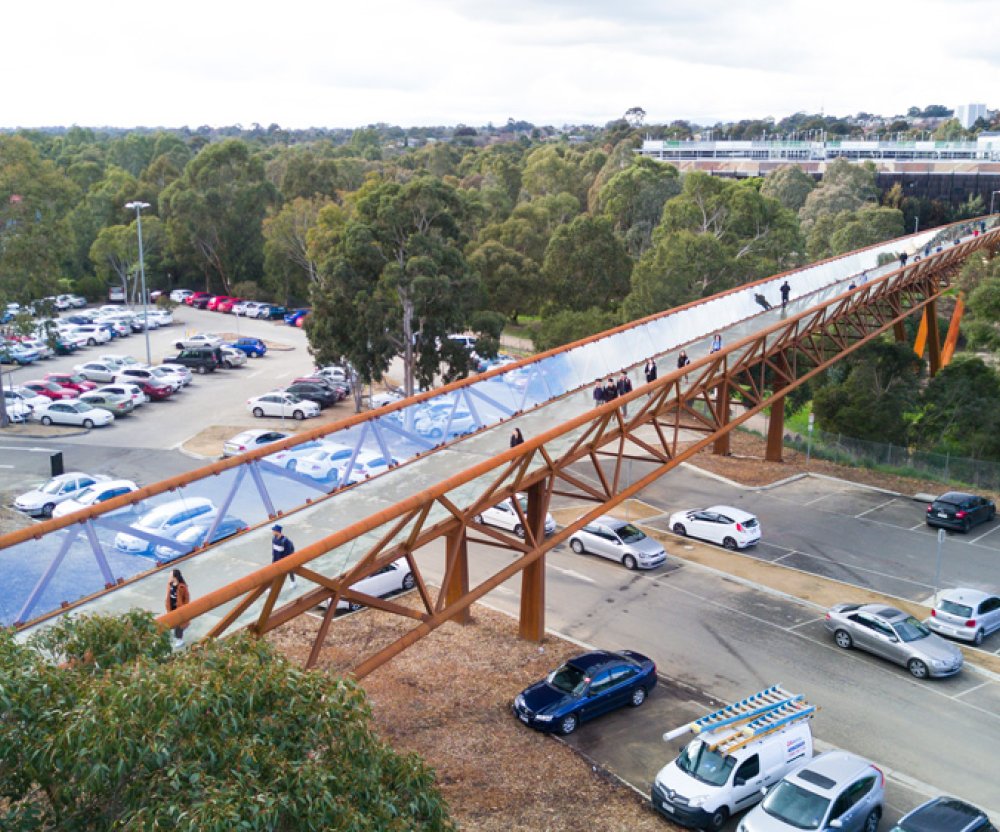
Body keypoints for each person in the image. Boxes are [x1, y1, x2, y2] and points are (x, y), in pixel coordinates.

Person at [165, 569, 190, 647]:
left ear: (175, 577)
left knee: (178, 625)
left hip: (179, 608)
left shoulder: (182, 586)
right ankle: (178, 635)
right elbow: (168, 594)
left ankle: (179, 639)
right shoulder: (170, 584)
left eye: (170, 576)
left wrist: (184, 607)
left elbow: (187, 598)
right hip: (171, 608)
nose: (169, 577)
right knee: (173, 623)